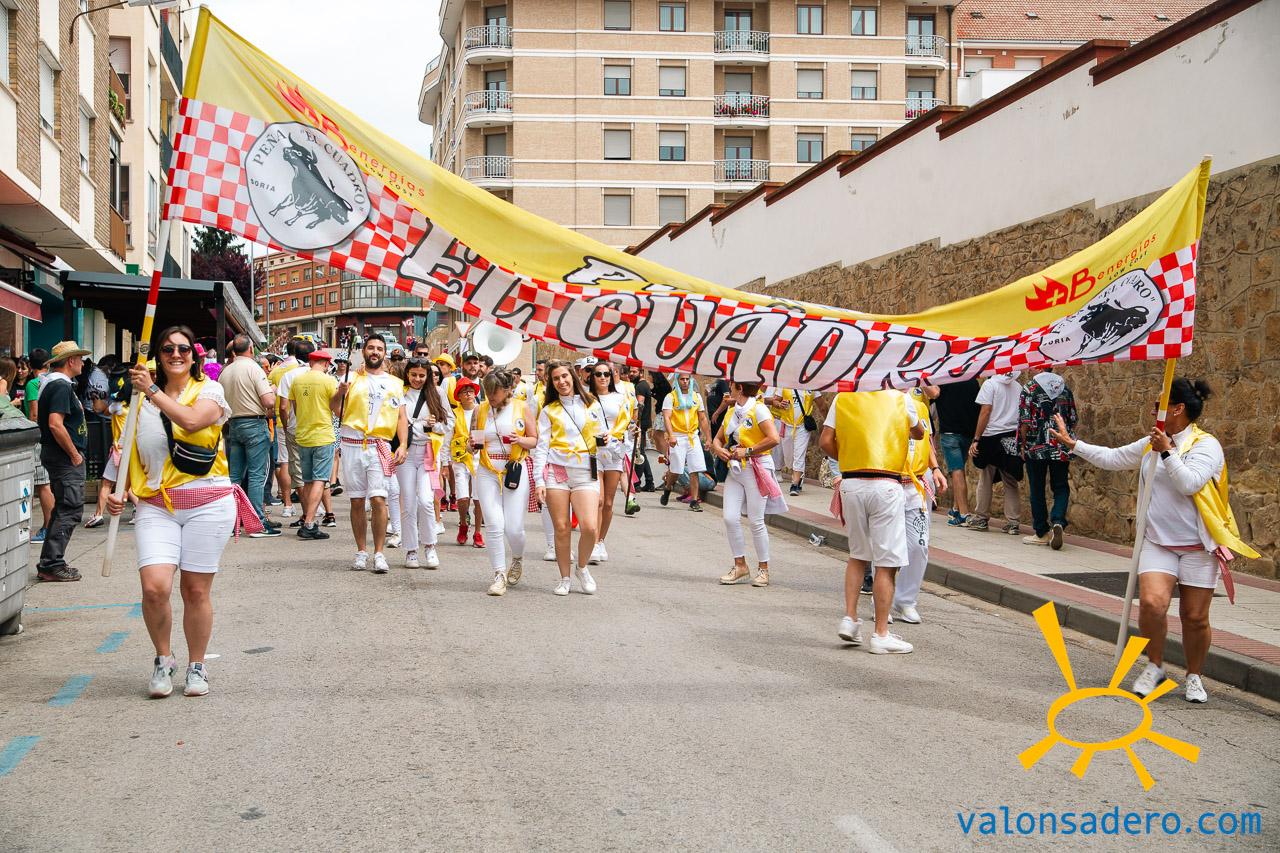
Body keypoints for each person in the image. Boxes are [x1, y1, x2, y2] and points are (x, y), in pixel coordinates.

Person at [1050, 379, 1257, 704]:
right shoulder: (1152, 443)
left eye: (1158, 404)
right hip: (1158, 543)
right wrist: (1073, 444)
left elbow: (1189, 483)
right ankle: (1155, 667)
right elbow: (1113, 458)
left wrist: (1167, 452)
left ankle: (1194, 676)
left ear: (1178, 409)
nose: (1151, 410)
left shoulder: (1206, 445)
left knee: (1195, 617)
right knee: (1151, 604)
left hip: (1198, 548)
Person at [106, 325, 261, 699]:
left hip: (208, 504)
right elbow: (127, 453)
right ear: (157, 357)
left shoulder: (210, 391)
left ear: (194, 356)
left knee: (194, 590)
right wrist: (117, 490)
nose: (176, 354)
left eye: (183, 349)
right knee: (154, 588)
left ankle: (197, 665)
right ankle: (163, 659)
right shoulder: (136, 404)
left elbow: (191, 421)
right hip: (157, 506)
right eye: (167, 349)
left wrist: (152, 390)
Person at [819, 387, 925, 654]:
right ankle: (881, 634)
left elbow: (825, 440)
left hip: (852, 481)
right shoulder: (901, 399)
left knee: (858, 555)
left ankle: (850, 618)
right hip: (885, 482)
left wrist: (847, 456)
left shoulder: (843, 398)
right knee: (887, 564)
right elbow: (919, 433)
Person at [332, 334, 408, 574]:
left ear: (384, 353)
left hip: (379, 445)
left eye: (379, 348)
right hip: (352, 443)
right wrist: (339, 393)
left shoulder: (395, 383)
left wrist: (403, 444)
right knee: (356, 501)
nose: (375, 352)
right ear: (363, 352)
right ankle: (361, 551)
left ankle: (379, 553)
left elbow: (401, 416)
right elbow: (335, 410)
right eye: (371, 348)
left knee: (378, 499)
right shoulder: (350, 379)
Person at [532, 360, 602, 596]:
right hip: (557, 472)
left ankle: (581, 568)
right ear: (551, 383)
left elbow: (604, 436)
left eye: (564, 376)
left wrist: (611, 441)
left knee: (590, 527)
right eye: (555, 378)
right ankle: (564, 578)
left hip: (585, 472)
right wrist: (539, 481)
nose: (561, 382)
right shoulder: (548, 410)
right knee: (561, 528)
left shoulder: (592, 403)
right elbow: (541, 448)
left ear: (573, 376)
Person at [712, 381, 783, 587]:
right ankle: (740, 565)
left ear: (739, 388)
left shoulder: (759, 409)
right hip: (736, 469)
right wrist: (718, 449)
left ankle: (764, 569)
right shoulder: (732, 412)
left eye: (732, 386)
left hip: (757, 468)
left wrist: (749, 451)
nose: (729, 389)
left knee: (755, 520)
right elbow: (718, 438)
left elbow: (774, 438)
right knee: (729, 517)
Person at [475, 369, 538, 595]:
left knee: (514, 528)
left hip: (513, 469)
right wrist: (472, 444)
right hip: (487, 469)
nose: (491, 396)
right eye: (487, 391)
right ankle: (499, 574)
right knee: (493, 524)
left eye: (495, 391)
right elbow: (475, 436)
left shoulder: (522, 407)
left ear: (507, 389)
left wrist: (519, 439)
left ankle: (518, 557)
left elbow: (534, 440)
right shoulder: (480, 409)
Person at [34, 341, 91, 583]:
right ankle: (52, 563)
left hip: (59, 455)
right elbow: (55, 424)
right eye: (79, 358)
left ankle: (51, 561)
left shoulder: (56, 384)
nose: (82, 362)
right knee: (70, 508)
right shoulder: (59, 385)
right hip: (64, 457)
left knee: (65, 508)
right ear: (70, 361)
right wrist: (74, 454)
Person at [891, 389, 949, 625]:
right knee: (887, 544)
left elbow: (926, 441)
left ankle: (905, 600)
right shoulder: (883, 403)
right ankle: (880, 600)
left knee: (919, 545)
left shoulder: (921, 406)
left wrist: (935, 468)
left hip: (917, 484)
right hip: (889, 482)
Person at [219, 335, 280, 537]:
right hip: (254, 422)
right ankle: (257, 522)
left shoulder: (225, 372)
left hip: (233, 424)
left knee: (234, 475)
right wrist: (272, 389)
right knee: (256, 475)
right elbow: (269, 401)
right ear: (251, 348)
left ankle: (231, 521)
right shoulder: (253, 368)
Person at [397, 357, 450, 569]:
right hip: (405, 454)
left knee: (427, 501)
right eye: (413, 375)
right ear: (407, 374)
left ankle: (429, 546)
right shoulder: (399, 393)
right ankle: (411, 550)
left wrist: (435, 425)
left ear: (428, 376)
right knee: (408, 504)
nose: (417, 379)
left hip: (429, 453)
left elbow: (449, 424)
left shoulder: (437, 394)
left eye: (422, 375)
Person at [1018, 367, 1077, 550]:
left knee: (1037, 487)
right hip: (1060, 445)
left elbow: (1025, 421)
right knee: (1060, 486)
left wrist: (1022, 444)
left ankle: (1041, 532)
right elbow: (1073, 418)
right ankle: (1058, 520)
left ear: (1037, 366)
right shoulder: (1065, 388)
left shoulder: (1030, 387)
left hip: (1036, 446)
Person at [288, 348, 340, 541]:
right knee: (320, 479)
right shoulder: (329, 381)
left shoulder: (297, 380)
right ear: (326, 364)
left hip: (303, 435)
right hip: (323, 435)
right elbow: (336, 410)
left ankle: (308, 518)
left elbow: (294, 407)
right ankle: (309, 522)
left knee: (308, 480)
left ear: (311, 362)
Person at [966, 371, 1024, 534]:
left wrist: (977, 438)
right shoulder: (1018, 386)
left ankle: (981, 517)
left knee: (986, 477)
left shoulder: (990, 384)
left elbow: (985, 411)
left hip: (991, 436)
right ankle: (1013, 521)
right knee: (1010, 479)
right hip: (1011, 435)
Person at [587, 362, 632, 564]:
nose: (603, 377)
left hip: (614, 453)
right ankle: (593, 542)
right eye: (599, 374)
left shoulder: (620, 398)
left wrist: (625, 435)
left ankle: (601, 540)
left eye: (607, 373)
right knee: (597, 499)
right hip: (594, 453)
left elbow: (626, 424)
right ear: (592, 377)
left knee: (608, 502)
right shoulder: (586, 399)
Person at [932, 377, 979, 526]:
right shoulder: (973, 381)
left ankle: (964, 513)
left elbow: (933, 397)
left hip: (950, 432)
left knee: (957, 471)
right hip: (968, 433)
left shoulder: (944, 380)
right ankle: (955, 509)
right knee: (959, 470)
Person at [661, 373, 710, 512]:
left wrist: (708, 438)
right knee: (676, 469)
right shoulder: (670, 397)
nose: (685, 382)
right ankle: (668, 487)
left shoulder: (696, 396)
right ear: (677, 380)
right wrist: (671, 435)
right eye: (682, 379)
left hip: (693, 437)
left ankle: (694, 500)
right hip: (677, 436)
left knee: (695, 469)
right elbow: (667, 417)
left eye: (687, 379)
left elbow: (703, 418)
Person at [449, 377, 486, 547]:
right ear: (459, 395)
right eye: (464, 391)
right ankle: (463, 523)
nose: (468, 394)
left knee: (479, 498)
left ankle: (478, 532)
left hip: (480, 459)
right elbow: (447, 439)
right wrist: (444, 463)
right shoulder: (453, 413)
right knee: (463, 498)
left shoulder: (482, 411)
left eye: (471, 391)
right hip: (460, 459)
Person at [764, 386, 816, 497]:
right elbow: (775, 400)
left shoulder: (813, 385)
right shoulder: (784, 385)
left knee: (799, 454)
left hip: (803, 426)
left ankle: (795, 484)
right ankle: (797, 474)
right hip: (786, 425)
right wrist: (779, 404)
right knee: (789, 457)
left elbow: (822, 405)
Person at [24, 347, 53, 543]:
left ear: (29, 365)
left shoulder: (34, 383)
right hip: (52, 436)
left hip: (38, 436)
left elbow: (34, 413)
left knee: (43, 484)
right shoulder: (54, 380)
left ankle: (48, 527)